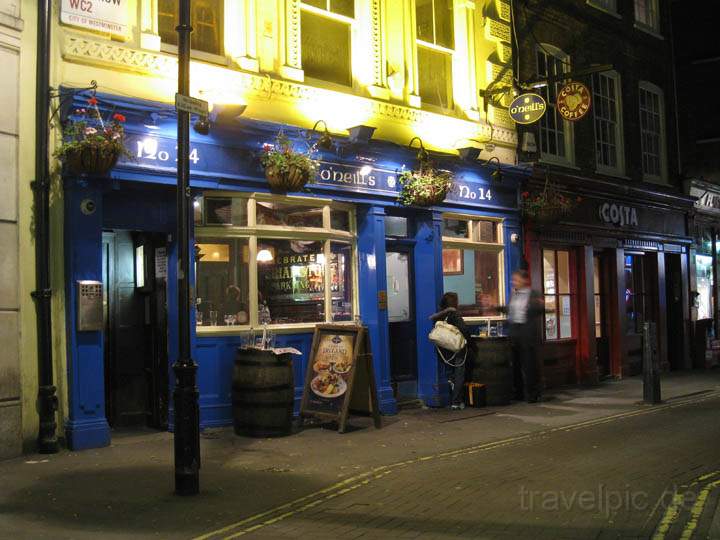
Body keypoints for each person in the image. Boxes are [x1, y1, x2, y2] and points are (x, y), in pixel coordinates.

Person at [484, 270, 544, 403]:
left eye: (516, 280)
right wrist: (495, 307)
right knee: (515, 365)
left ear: (524, 280)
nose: (513, 282)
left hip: (527, 335)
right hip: (515, 334)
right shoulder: (514, 294)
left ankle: (533, 394)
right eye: (513, 280)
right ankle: (519, 393)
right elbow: (510, 310)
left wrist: (541, 305)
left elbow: (539, 310)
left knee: (529, 366)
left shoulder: (533, 294)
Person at [430, 292, 473, 410]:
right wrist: (470, 342)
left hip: (444, 349)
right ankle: (456, 401)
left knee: (450, 375)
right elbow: (464, 330)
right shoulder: (454, 314)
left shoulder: (439, 316)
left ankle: (450, 395)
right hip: (457, 348)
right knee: (459, 373)